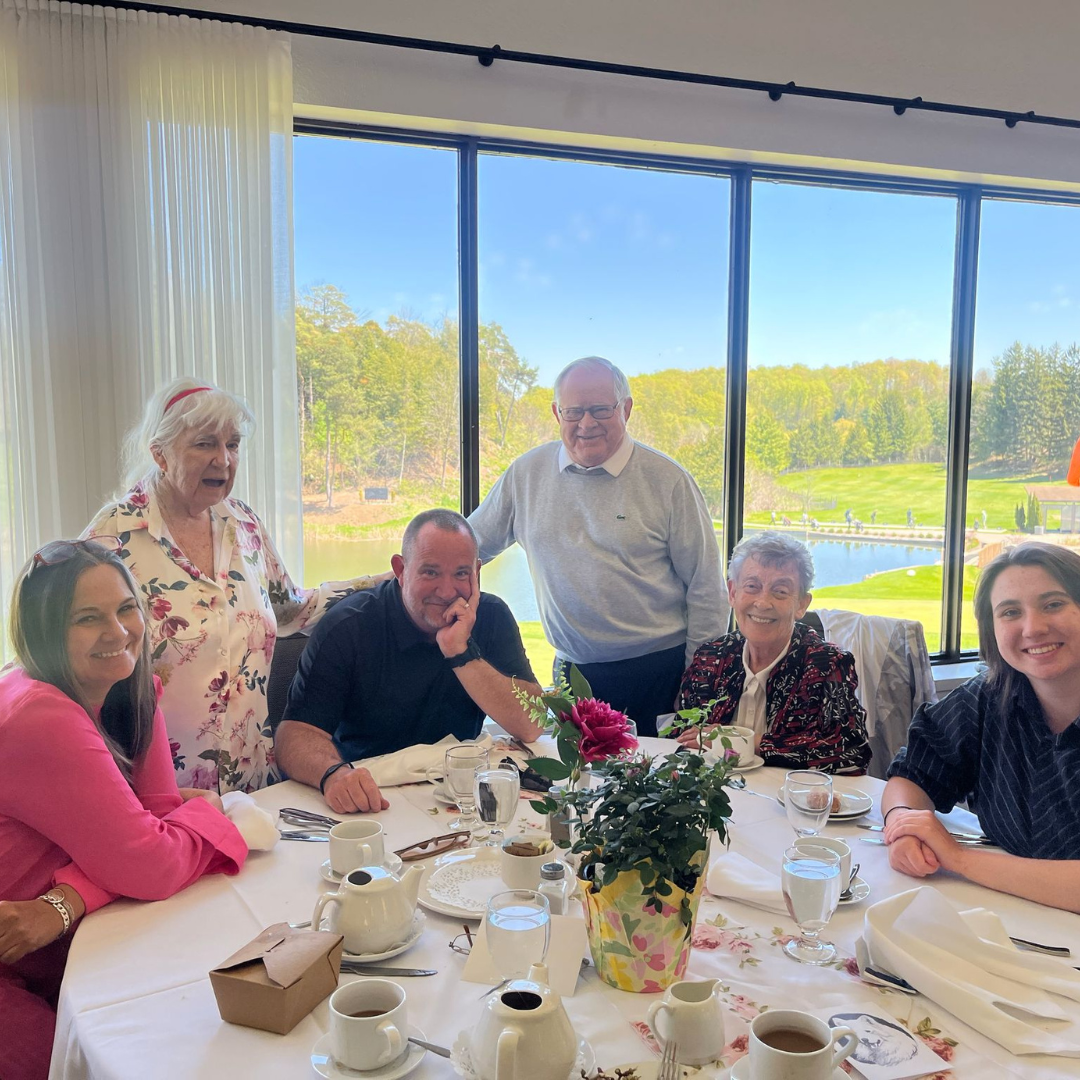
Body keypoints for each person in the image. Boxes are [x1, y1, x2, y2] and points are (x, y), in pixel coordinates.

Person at [0, 539, 247, 1080]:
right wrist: (210, 812)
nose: (117, 632)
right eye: (87, 618)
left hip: (58, 945)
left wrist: (65, 901)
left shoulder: (127, 684)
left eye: (126, 608)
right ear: (42, 631)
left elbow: (155, 818)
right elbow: (153, 862)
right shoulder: (39, 715)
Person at [83, 378, 384, 793]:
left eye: (233, 444)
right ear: (160, 454)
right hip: (158, 796)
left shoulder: (244, 523)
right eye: (205, 444)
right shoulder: (112, 538)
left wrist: (387, 583)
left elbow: (292, 609)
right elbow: (75, 656)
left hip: (256, 787)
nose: (223, 460)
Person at [469, 356, 727, 736]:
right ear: (557, 413)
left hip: (661, 676)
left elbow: (707, 590)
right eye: (573, 412)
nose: (586, 423)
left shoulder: (668, 480)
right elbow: (466, 548)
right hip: (572, 674)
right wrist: (403, 576)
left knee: (658, 776)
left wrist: (696, 684)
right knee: (574, 775)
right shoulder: (525, 475)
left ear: (626, 409)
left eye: (600, 410)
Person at [276, 510, 545, 814]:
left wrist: (461, 651)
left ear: (477, 573)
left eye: (461, 574)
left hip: (459, 793)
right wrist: (333, 774)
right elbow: (294, 735)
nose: (447, 591)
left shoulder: (492, 617)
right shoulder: (349, 626)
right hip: (368, 794)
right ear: (400, 570)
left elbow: (532, 725)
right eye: (430, 572)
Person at [882, 541, 1080, 913]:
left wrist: (958, 858)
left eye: (1053, 604)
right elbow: (912, 774)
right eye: (1010, 612)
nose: (1033, 627)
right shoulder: (988, 697)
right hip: (1011, 918)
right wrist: (905, 826)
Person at [677, 532, 870, 773]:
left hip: (790, 794)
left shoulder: (826, 664)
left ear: (801, 604)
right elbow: (683, 735)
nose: (763, 602)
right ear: (732, 593)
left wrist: (749, 742)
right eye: (752, 586)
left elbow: (852, 752)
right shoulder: (711, 657)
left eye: (780, 591)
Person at [827, 1013, 918, 1067]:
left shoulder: (903, 1046)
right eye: (857, 1035)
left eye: (868, 1031)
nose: (864, 1038)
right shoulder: (864, 1054)